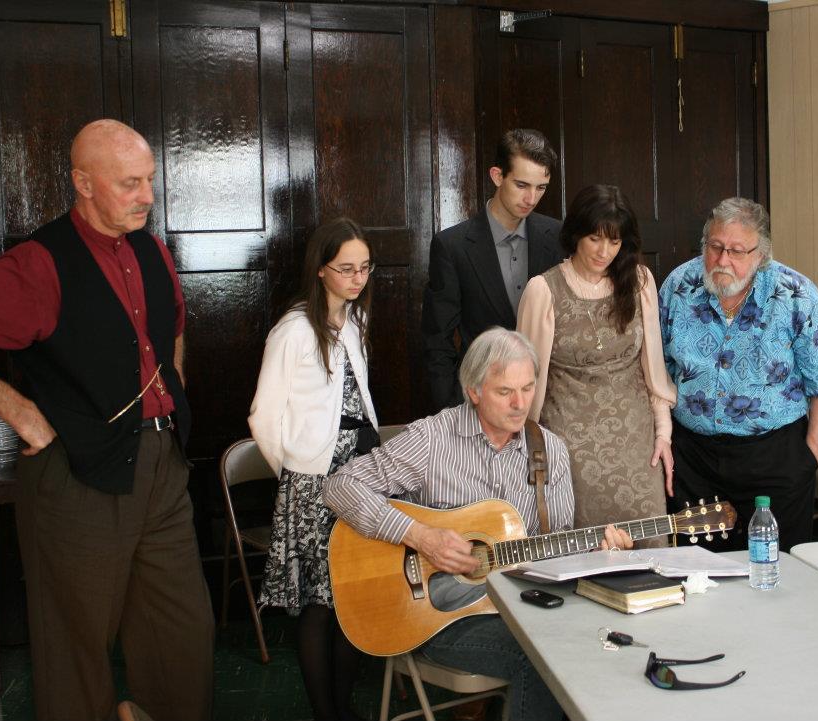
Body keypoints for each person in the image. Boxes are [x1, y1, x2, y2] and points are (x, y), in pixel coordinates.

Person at [0, 119, 213, 721]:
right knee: (75, 644)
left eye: (150, 181)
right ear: (83, 183)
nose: (148, 197)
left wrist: (170, 386)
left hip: (161, 465)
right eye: (130, 183)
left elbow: (174, 324)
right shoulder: (39, 263)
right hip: (76, 475)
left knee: (182, 635)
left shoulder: (154, 249)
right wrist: (17, 409)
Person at [323, 328, 632, 721]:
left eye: (528, 387)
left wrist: (597, 554)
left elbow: (554, 550)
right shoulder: (432, 438)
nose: (521, 404)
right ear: (474, 390)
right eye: (505, 392)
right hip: (433, 616)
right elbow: (339, 486)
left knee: (595, 635)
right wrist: (420, 536)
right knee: (542, 656)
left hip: (520, 606)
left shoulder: (548, 449)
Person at [248, 218, 379, 721]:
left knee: (355, 595)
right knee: (320, 605)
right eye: (346, 268)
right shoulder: (293, 330)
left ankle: (345, 709)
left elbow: (359, 402)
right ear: (321, 270)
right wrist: (298, 472)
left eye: (364, 268)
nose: (357, 278)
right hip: (314, 486)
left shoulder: (355, 323)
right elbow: (263, 416)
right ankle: (327, 714)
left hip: (361, 478)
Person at [659, 197, 818, 552]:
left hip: (774, 458)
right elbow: (657, 372)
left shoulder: (798, 296)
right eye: (715, 247)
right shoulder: (678, 287)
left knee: (776, 572)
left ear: (762, 254)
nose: (722, 260)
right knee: (699, 576)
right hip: (694, 461)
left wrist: (809, 460)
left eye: (737, 251)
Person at [517, 185, 677, 545]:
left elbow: (654, 370)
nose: (605, 252)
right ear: (576, 233)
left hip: (637, 447)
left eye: (615, 242)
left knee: (650, 553)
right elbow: (526, 386)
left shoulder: (638, 281)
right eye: (595, 239)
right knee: (581, 554)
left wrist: (663, 435)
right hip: (569, 449)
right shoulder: (543, 291)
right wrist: (526, 450)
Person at [422, 129, 563, 412]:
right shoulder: (452, 246)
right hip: (480, 400)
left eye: (541, 187)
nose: (532, 198)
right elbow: (437, 339)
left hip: (549, 401)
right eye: (522, 185)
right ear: (497, 176)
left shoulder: (558, 236)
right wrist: (451, 409)